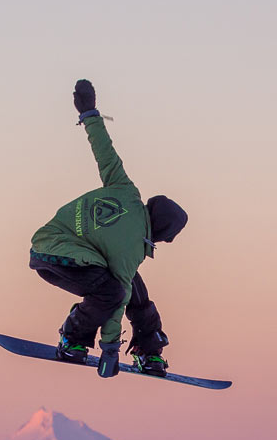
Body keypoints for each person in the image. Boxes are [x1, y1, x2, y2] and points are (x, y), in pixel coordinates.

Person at [29, 79, 187, 378]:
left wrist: (89, 113)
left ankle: (149, 347)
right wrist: (110, 349)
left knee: (130, 284)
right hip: (55, 254)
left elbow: (105, 152)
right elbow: (118, 300)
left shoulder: (126, 189)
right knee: (115, 289)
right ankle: (72, 340)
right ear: (161, 234)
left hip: (56, 245)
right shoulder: (131, 249)